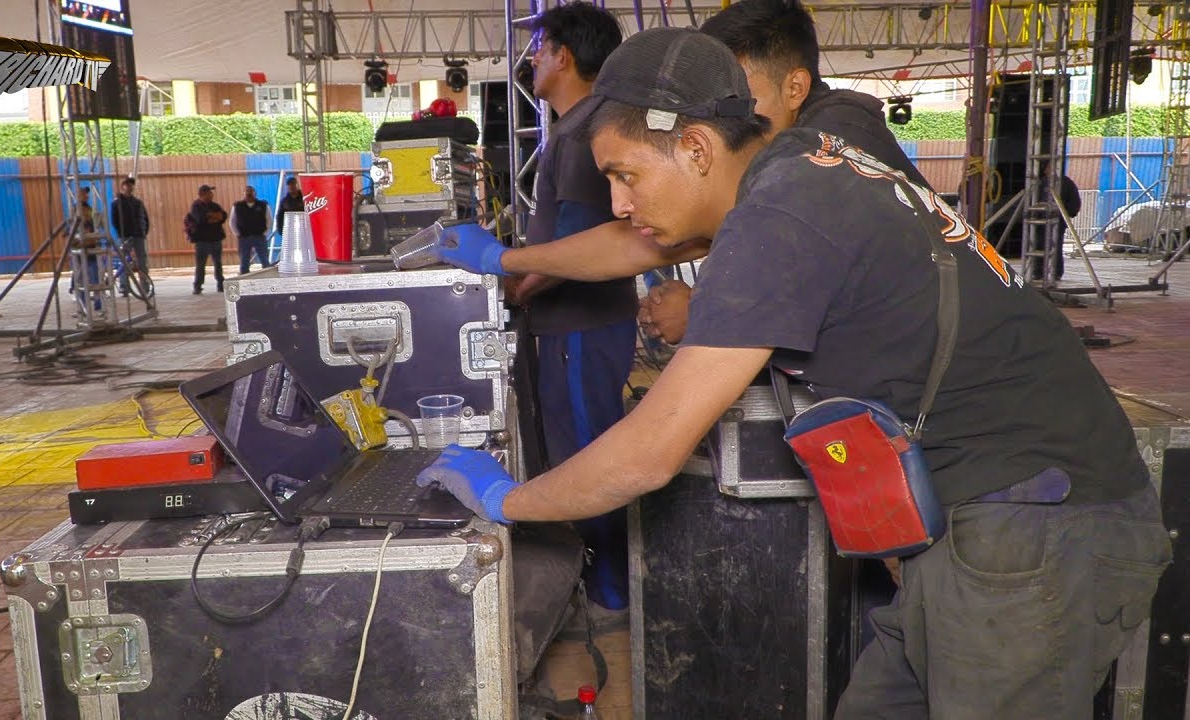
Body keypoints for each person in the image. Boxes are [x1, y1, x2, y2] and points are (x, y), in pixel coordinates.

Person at [418, 28, 1171, 719]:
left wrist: (509, 499)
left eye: (624, 175)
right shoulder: (796, 166)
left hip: (1040, 522)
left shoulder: (779, 217)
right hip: (988, 513)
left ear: (697, 149)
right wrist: (504, 260)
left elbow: (650, 452)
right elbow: (633, 243)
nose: (617, 202)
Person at [642, 0, 933, 345]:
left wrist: (699, 310)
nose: (719, 120)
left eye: (737, 100)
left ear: (794, 88)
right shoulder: (772, 150)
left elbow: (799, 283)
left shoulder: (830, 145)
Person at [512, 1, 634, 611]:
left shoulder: (584, 134)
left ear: (564, 55)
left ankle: (612, 596)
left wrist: (507, 281)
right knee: (574, 450)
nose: (532, 58)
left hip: (583, 330)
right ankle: (597, 583)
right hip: (572, 328)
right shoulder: (572, 130)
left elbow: (579, 250)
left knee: (592, 456)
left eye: (539, 48)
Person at [185, 184, 227, 294]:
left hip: (216, 238)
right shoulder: (196, 206)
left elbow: (223, 217)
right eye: (209, 192)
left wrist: (211, 216)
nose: (212, 194)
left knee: (218, 263)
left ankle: (221, 285)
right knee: (201, 265)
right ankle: (197, 286)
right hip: (202, 240)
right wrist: (215, 217)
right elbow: (201, 220)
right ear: (202, 194)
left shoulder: (215, 205)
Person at [110, 176, 151, 273]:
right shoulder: (117, 203)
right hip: (125, 235)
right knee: (124, 261)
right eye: (127, 185)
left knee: (142, 261)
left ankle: (144, 286)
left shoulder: (138, 203)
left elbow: (145, 218)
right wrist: (121, 233)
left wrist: (143, 231)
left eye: (131, 185)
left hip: (138, 234)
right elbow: (114, 220)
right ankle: (125, 287)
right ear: (123, 187)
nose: (130, 187)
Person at [231, 185, 273, 274]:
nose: (249, 194)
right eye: (247, 193)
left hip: (260, 237)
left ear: (255, 194)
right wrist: (238, 234)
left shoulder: (263, 205)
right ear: (244, 194)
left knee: (265, 261)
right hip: (244, 238)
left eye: (251, 193)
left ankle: (268, 279)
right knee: (244, 262)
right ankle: (244, 281)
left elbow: (269, 220)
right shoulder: (237, 206)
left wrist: (265, 234)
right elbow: (232, 222)